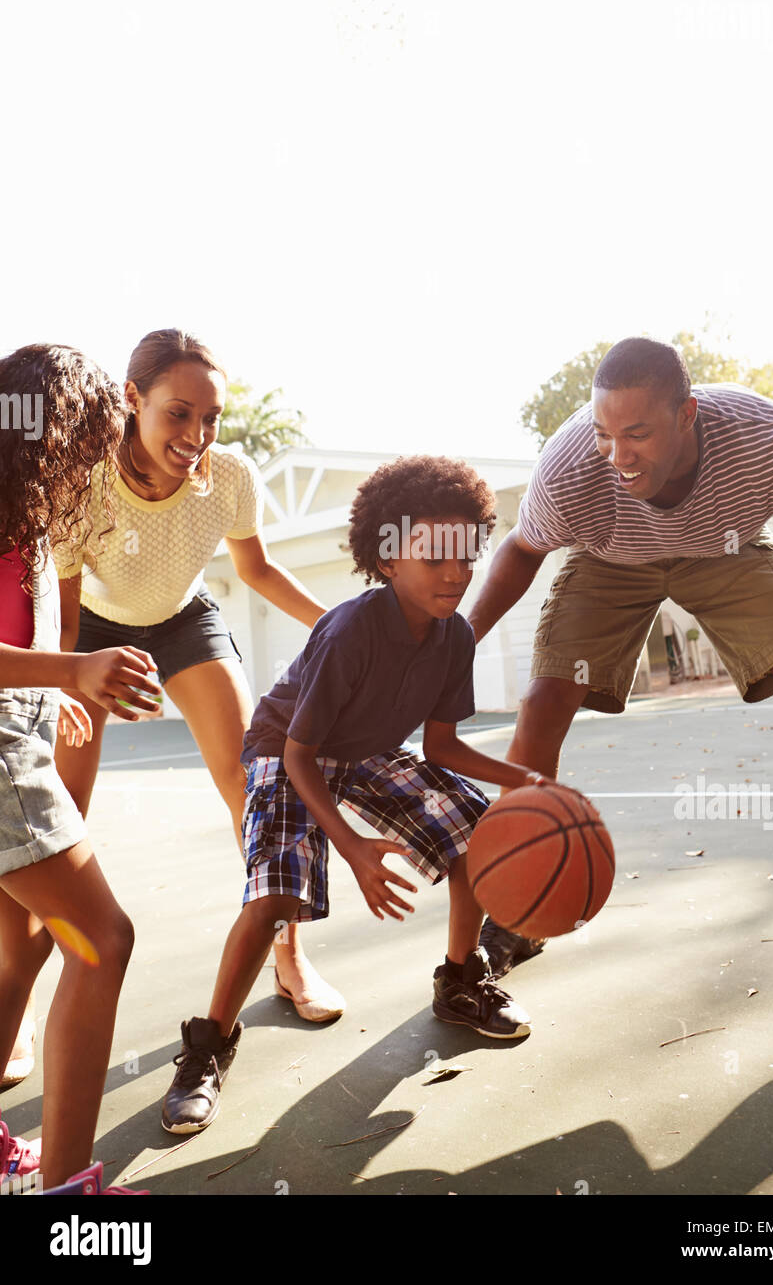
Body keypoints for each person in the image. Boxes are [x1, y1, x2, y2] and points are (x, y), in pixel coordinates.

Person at [160, 455, 564, 1135]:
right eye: (432, 555)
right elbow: (299, 754)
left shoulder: (455, 635)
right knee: (275, 898)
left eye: (466, 553)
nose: (455, 571)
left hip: (369, 751)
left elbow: (442, 749)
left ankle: (459, 982)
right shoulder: (349, 629)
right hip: (287, 752)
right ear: (386, 556)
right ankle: (206, 1049)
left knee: (476, 839)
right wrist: (351, 847)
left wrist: (528, 782)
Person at [469, 336, 773, 975]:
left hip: (724, 550)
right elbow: (519, 550)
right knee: (543, 702)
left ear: (688, 415)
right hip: (611, 559)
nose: (617, 456)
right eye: (604, 432)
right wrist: (461, 643)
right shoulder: (571, 467)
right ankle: (512, 914)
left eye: (637, 434)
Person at [49, 329, 344, 1016]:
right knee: (64, 805)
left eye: (211, 418)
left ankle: (290, 959)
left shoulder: (230, 476)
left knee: (252, 781)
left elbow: (257, 570)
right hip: (91, 631)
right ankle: (25, 989)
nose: (197, 434)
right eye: (178, 413)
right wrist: (64, 682)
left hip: (184, 620)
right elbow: (63, 618)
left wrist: (339, 625)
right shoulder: (83, 481)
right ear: (132, 399)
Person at [0, 343, 160, 1192]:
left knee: (18, 949)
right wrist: (71, 672)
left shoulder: (25, 511)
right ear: (51, 429)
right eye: (94, 435)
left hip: (14, 727)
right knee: (100, 940)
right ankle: (66, 1200)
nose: (102, 455)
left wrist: (41, 691)